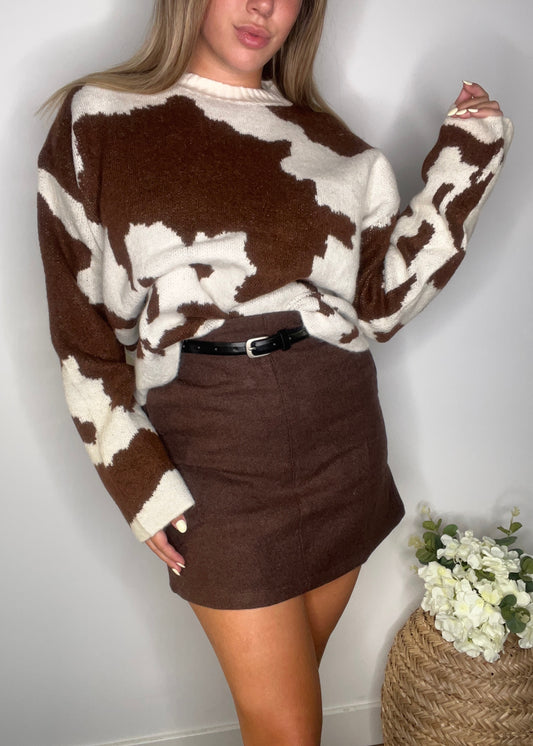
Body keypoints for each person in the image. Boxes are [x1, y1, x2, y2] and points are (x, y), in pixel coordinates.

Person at [37, 1, 512, 743]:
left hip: (341, 433)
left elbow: (382, 307)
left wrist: (468, 160)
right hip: (212, 443)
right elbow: (81, 335)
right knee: (288, 727)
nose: (264, 5)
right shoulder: (97, 119)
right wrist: (136, 480)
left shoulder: (332, 145)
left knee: (286, 720)